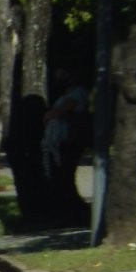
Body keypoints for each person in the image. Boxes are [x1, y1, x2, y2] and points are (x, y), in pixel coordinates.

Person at [42, 69, 89, 225]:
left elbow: (62, 110)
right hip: (58, 139)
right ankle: (67, 211)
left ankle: (75, 212)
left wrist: (50, 115)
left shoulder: (77, 93)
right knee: (60, 176)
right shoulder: (67, 94)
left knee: (65, 176)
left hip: (68, 139)